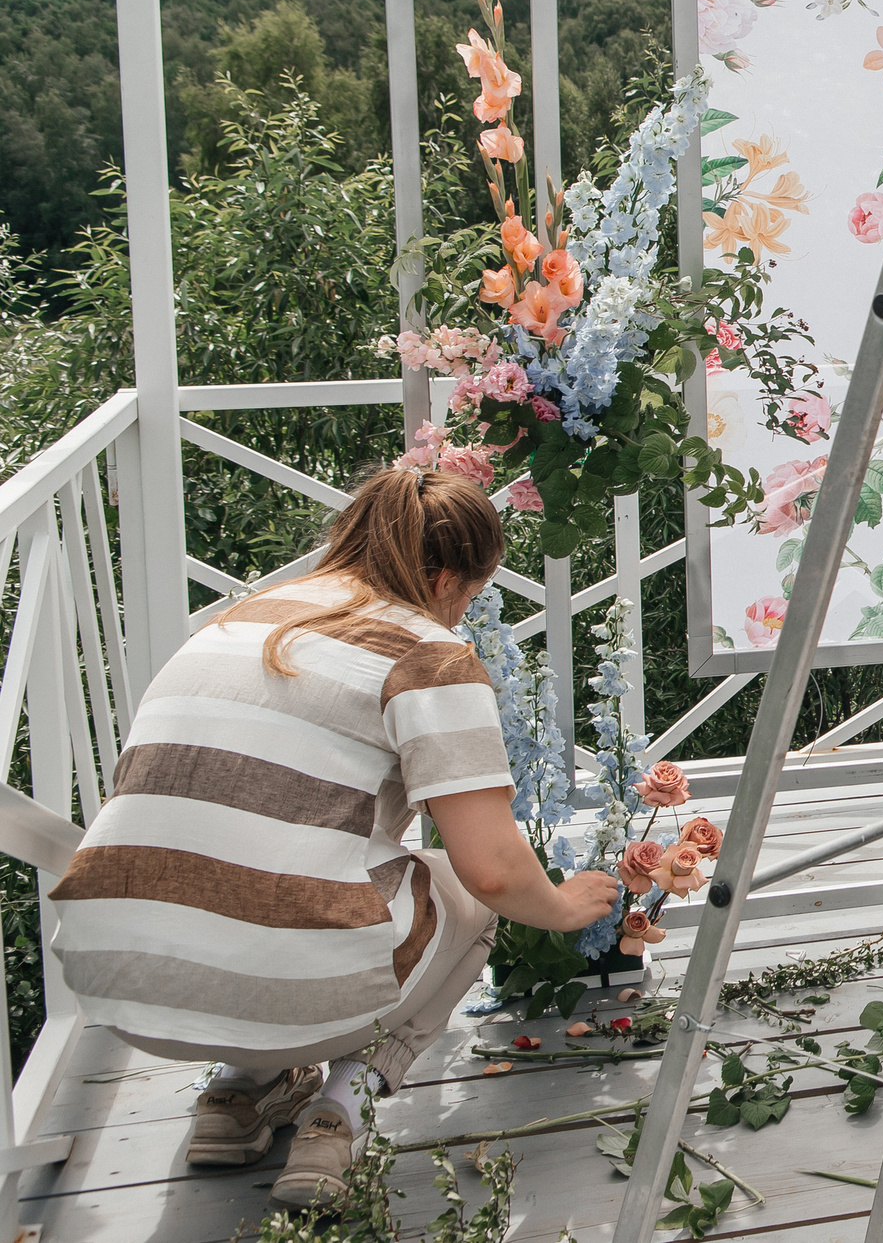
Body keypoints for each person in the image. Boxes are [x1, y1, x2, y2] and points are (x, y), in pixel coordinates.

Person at [47, 467, 621, 1207]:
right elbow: (496, 872)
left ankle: (238, 1095)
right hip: (290, 991)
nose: (461, 619)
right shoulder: (429, 654)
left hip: (111, 974)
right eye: (470, 599)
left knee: (258, 868)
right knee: (466, 900)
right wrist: (569, 905)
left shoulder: (240, 617)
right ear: (446, 577)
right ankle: (340, 1110)